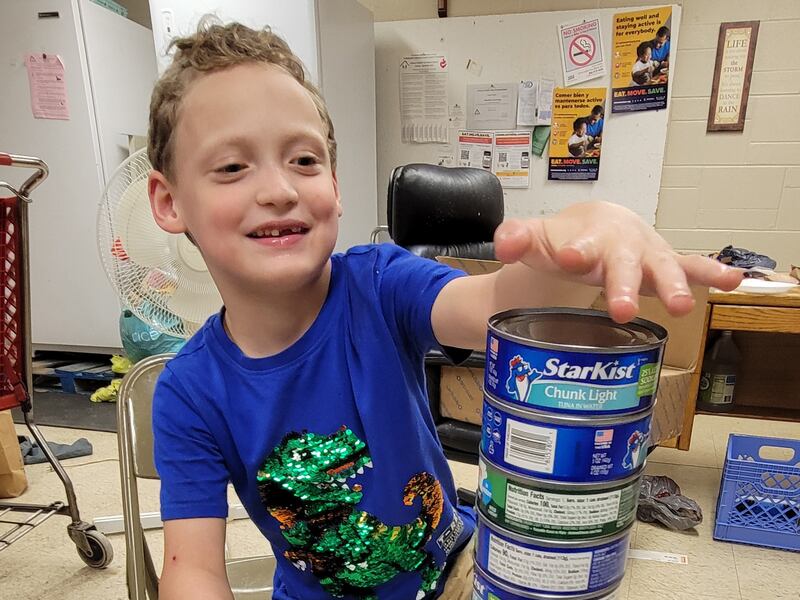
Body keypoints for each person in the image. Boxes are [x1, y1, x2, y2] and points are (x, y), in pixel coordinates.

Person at [146, 20, 742, 600]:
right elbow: (191, 568)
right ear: (170, 201)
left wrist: (579, 240)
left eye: (304, 160)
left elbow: (493, 306)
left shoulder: (379, 282)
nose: (278, 188)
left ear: (336, 183)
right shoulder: (188, 392)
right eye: (231, 167)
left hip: (455, 571)